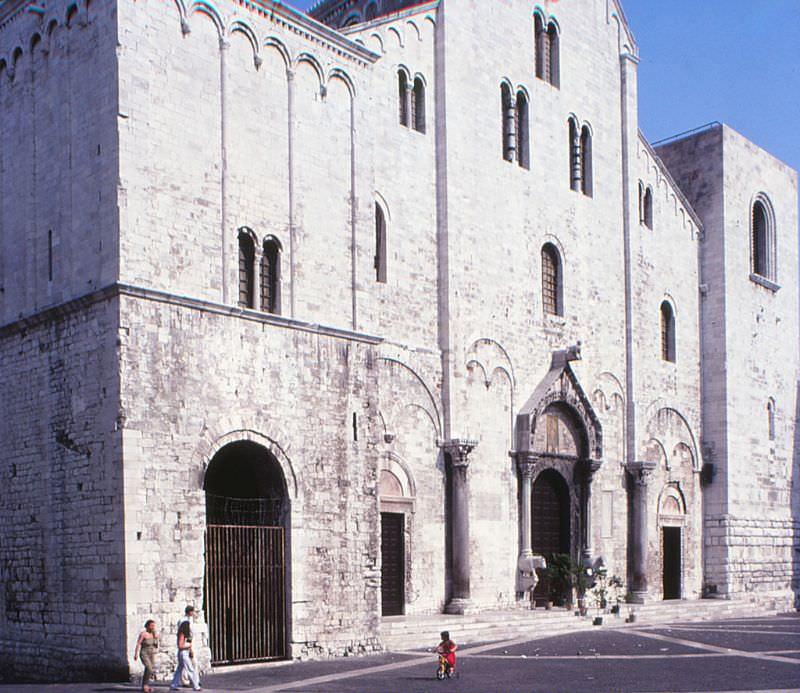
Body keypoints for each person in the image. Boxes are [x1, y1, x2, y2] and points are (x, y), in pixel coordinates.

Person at [170, 619, 201, 691]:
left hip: (186, 652)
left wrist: (191, 650)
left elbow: (189, 644)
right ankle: (196, 686)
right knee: (190, 668)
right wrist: (188, 646)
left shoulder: (187, 635)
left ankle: (174, 685)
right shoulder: (182, 634)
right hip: (183, 653)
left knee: (179, 669)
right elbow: (180, 646)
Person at [133, 619, 159, 693]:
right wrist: (136, 654)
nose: (153, 627)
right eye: (151, 626)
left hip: (151, 653)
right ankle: (145, 685)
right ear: (147, 626)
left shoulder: (154, 634)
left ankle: (145, 684)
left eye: (154, 626)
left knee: (150, 669)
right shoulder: (143, 634)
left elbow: (156, 645)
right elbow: (138, 643)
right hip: (144, 653)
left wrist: (156, 638)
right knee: (149, 668)